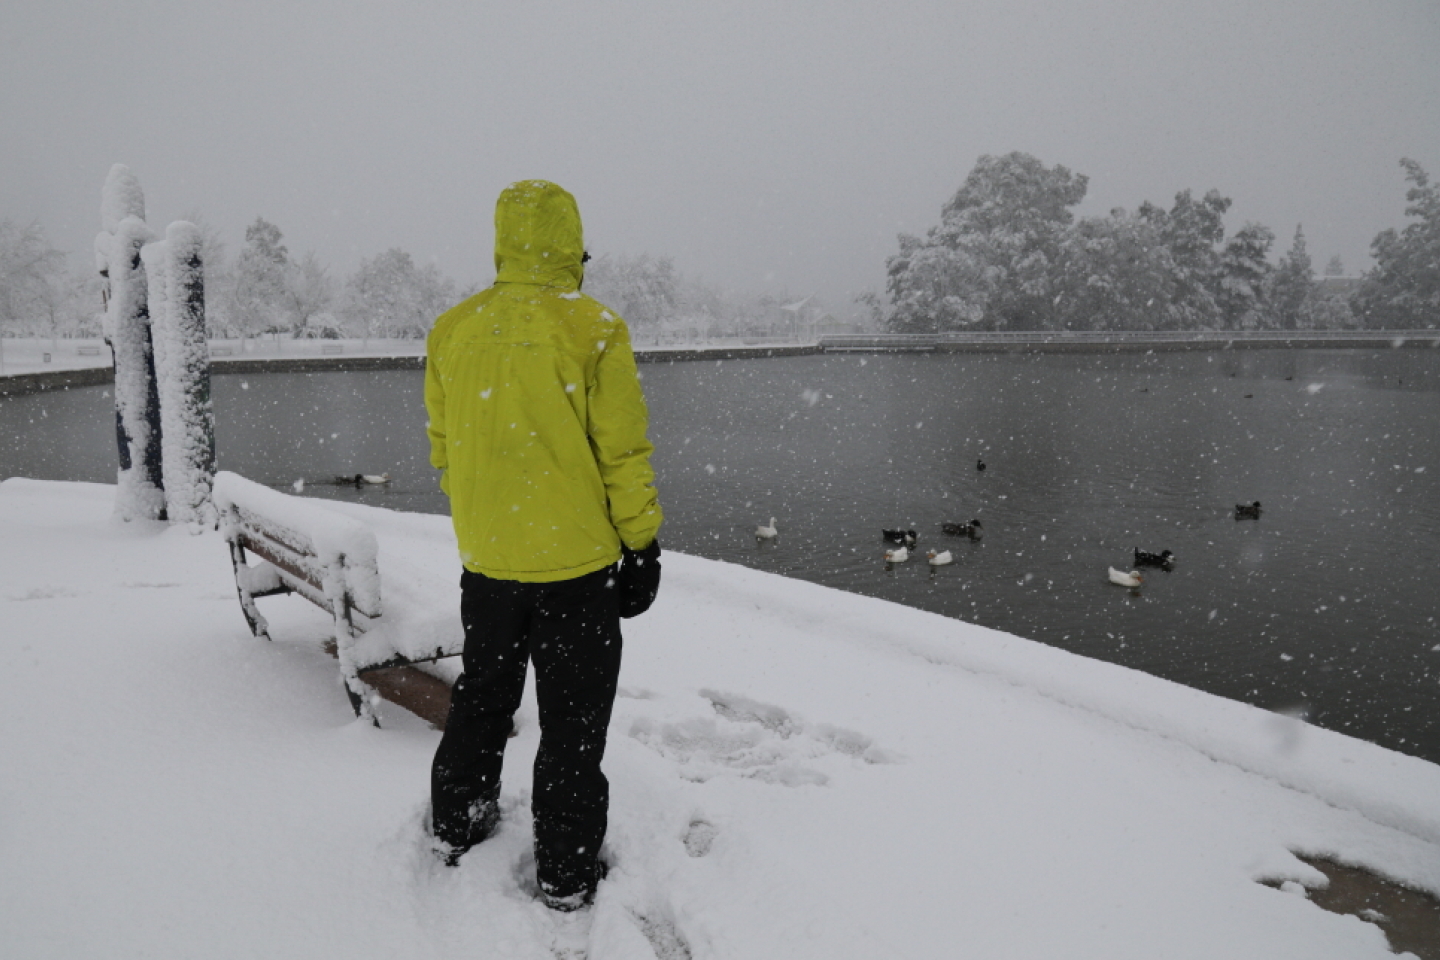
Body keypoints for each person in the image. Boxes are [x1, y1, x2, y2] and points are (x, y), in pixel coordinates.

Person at [424, 180, 663, 913]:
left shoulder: (453, 330)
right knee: (573, 723)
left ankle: (456, 823)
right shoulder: (593, 329)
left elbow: (445, 446)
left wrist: (487, 521)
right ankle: (564, 869)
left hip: (489, 566)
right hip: (577, 572)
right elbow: (621, 452)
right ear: (569, 248)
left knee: (484, 700)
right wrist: (642, 545)